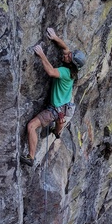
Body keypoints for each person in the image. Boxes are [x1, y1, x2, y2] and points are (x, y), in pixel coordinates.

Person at [21, 28, 86, 167]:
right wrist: (55, 37)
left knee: (31, 126)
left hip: (54, 110)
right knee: (59, 122)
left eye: (69, 56)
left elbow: (51, 71)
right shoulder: (73, 70)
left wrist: (41, 54)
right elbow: (65, 48)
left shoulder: (64, 72)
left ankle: (31, 157)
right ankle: (57, 132)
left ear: (71, 63)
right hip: (66, 108)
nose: (67, 54)